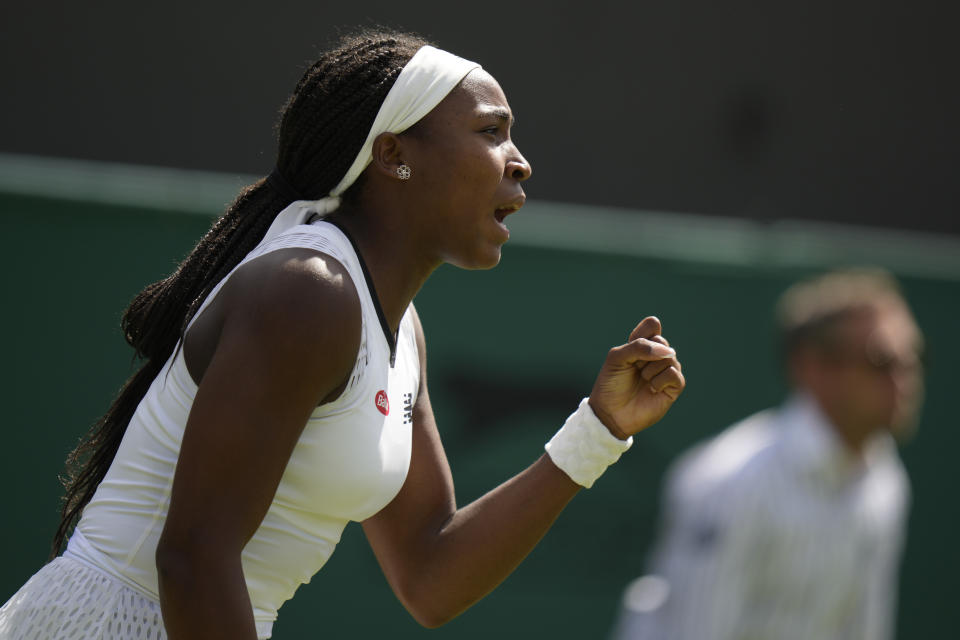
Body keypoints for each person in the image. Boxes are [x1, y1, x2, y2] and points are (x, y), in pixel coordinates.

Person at [0, 30, 685, 640]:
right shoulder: (308, 294)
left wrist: (598, 429)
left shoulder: (395, 328)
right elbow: (192, 561)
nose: (520, 160)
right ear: (394, 155)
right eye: (491, 131)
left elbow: (431, 571)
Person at [609, 268, 923, 640]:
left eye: (916, 357)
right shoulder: (730, 482)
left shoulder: (885, 479)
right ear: (813, 368)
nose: (906, 378)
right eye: (882, 361)